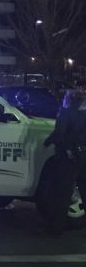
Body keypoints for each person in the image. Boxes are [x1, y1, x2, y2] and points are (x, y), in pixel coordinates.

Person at [42, 89, 86, 234]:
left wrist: (46, 142)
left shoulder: (66, 113)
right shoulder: (84, 114)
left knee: (63, 193)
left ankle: (56, 228)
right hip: (83, 155)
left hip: (69, 157)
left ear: (68, 99)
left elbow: (59, 133)